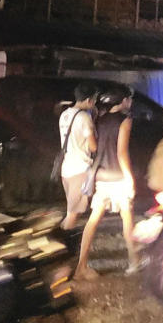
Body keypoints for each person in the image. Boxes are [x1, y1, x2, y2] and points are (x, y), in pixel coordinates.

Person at [74, 84, 135, 280]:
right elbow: (122, 153)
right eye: (128, 98)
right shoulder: (125, 121)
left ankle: (81, 265)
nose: (130, 102)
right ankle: (134, 261)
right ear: (123, 101)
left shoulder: (99, 119)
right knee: (127, 218)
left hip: (101, 176)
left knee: (93, 221)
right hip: (117, 177)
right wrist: (130, 179)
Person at [59, 82, 98, 230]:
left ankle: (60, 239)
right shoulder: (84, 118)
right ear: (89, 100)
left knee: (72, 211)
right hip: (80, 169)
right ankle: (60, 244)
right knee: (73, 214)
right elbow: (93, 146)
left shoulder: (65, 115)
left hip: (67, 169)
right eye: (94, 100)